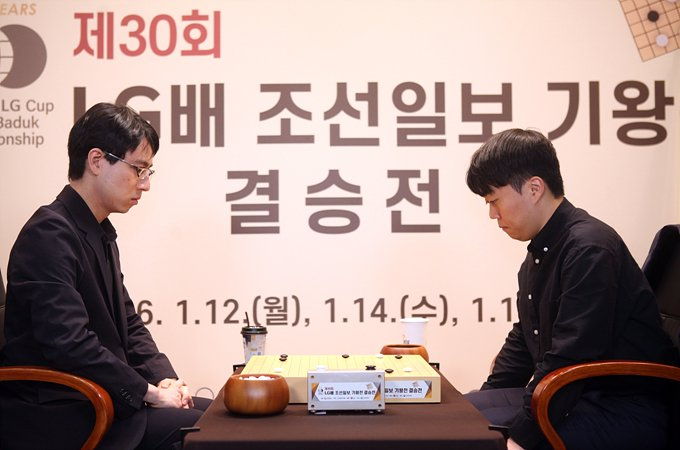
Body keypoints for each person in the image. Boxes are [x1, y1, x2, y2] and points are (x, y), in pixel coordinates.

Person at [0, 102, 210, 449]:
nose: (145, 184)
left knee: (217, 416)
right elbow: (69, 343)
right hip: (65, 409)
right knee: (205, 432)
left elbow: (129, 323)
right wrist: (148, 393)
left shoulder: (98, 231)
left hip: (103, 396)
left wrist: (166, 380)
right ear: (97, 161)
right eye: (138, 169)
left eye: (148, 172)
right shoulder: (49, 233)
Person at [463, 128, 678, 450]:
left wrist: (521, 437)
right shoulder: (543, 251)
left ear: (534, 188)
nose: (493, 214)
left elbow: (571, 354)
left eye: (494, 201)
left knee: (479, 438)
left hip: (620, 408)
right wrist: (489, 396)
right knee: (461, 418)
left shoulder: (589, 249)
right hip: (572, 395)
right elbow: (525, 338)